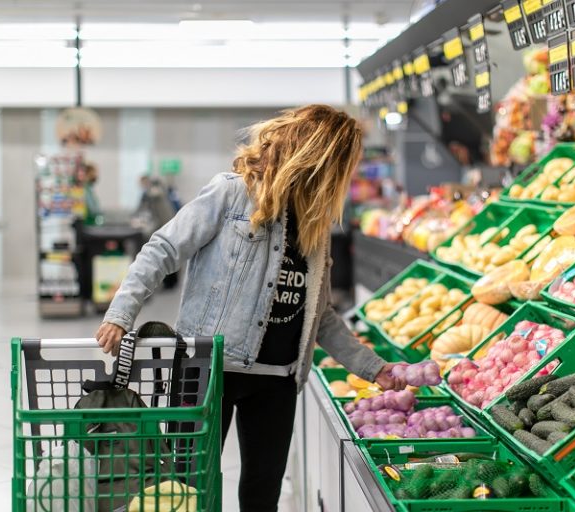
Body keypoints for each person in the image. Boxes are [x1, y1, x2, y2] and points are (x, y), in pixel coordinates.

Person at [96, 105, 406, 511]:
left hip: (278, 380)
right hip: (207, 369)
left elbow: (320, 316)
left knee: (263, 492)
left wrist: (372, 367)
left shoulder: (314, 224)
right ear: (317, 157)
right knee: (189, 487)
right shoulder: (231, 193)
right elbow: (164, 249)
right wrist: (121, 312)